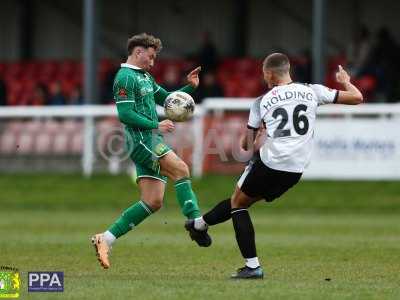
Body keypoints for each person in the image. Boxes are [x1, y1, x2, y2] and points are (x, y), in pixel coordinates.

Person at [185, 53, 363, 279]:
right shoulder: (313, 90)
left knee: (238, 204)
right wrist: (345, 80)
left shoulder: (262, 101)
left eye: (263, 73)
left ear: (269, 73)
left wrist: (258, 133)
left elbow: (246, 146)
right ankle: (198, 225)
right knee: (239, 199)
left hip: (272, 162)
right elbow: (357, 98)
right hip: (296, 169)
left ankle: (252, 267)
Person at [91, 33, 211, 269]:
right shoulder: (125, 77)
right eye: (151, 56)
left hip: (149, 138)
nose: (153, 62)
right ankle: (196, 221)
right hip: (141, 140)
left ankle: (105, 238)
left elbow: (167, 99)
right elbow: (125, 114)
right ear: (138, 52)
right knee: (181, 169)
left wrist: (190, 87)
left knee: (152, 201)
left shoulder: (144, 76)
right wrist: (155, 124)